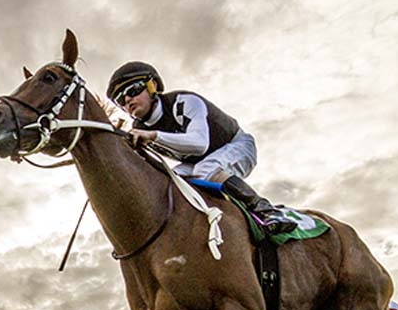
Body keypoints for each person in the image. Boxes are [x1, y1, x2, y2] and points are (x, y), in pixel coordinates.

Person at [106, 61, 295, 234]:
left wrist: (154, 135)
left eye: (133, 91)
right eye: (121, 101)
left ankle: (266, 211)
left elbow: (199, 144)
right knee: (170, 185)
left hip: (236, 145)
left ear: (152, 85)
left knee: (207, 169)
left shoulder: (185, 102)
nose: (128, 101)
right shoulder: (139, 129)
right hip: (198, 162)